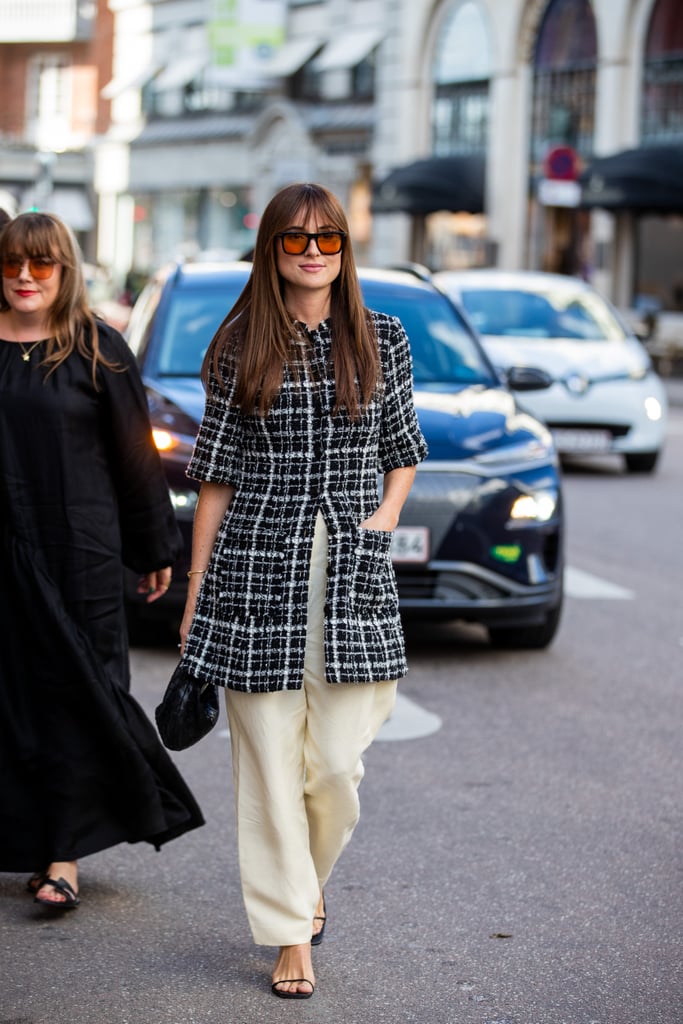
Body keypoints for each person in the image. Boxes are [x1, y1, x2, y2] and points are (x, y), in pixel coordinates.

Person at [179, 182, 428, 999]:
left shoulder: (382, 337)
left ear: (345, 250)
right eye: (296, 240)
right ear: (272, 249)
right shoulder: (238, 343)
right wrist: (193, 596)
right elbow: (213, 479)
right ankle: (292, 932)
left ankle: (304, 880)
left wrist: (382, 520)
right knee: (270, 770)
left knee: (334, 770)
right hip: (255, 567)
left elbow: (402, 447)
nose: (314, 252)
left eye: (328, 239)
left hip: (352, 571)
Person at [0, 212, 204, 910]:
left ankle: (64, 855)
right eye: (12, 264)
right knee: (11, 700)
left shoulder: (99, 350)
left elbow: (135, 458)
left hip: (81, 554)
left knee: (77, 697)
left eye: (42, 264)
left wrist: (154, 548)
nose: (26, 277)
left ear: (65, 270)